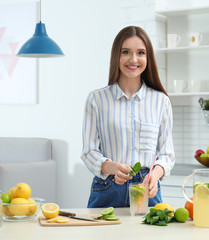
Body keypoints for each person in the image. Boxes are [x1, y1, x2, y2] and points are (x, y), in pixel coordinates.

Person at [81, 26, 175, 208]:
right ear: (117, 55)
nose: (133, 59)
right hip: (107, 187)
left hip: (146, 189)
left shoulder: (161, 101)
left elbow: (167, 154)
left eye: (141, 52)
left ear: (148, 58)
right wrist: (111, 167)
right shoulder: (97, 99)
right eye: (126, 52)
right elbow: (89, 151)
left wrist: (154, 176)